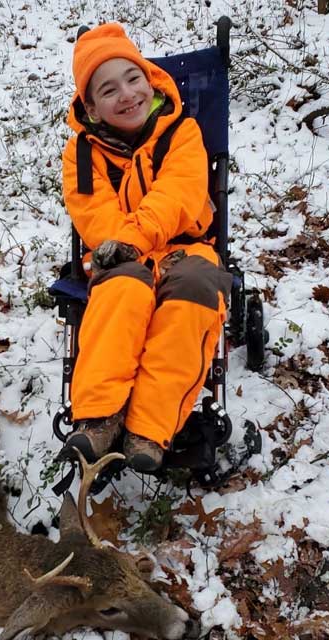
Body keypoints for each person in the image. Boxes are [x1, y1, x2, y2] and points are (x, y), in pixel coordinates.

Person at [62, 22, 232, 473]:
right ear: (92, 107)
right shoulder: (81, 154)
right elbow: (92, 211)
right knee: (124, 291)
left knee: (192, 294)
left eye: (133, 78)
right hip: (115, 252)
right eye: (108, 89)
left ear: (151, 78)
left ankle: (149, 430)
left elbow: (177, 195)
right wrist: (122, 248)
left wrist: (133, 241)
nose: (127, 94)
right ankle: (100, 418)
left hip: (184, 246)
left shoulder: (183, 133)